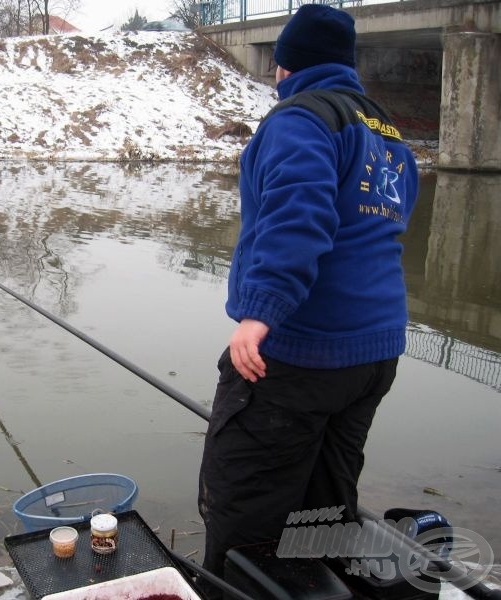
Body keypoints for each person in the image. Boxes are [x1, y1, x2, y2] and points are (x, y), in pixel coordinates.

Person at [197, 3, 419, 595]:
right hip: (375, 355)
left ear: (286, 67)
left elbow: (299, 219)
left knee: (246, 513)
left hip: (298, 355)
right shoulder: (386, 131)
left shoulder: (299, 119)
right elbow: (386, 227)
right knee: (323, 510)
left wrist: (258, 314)